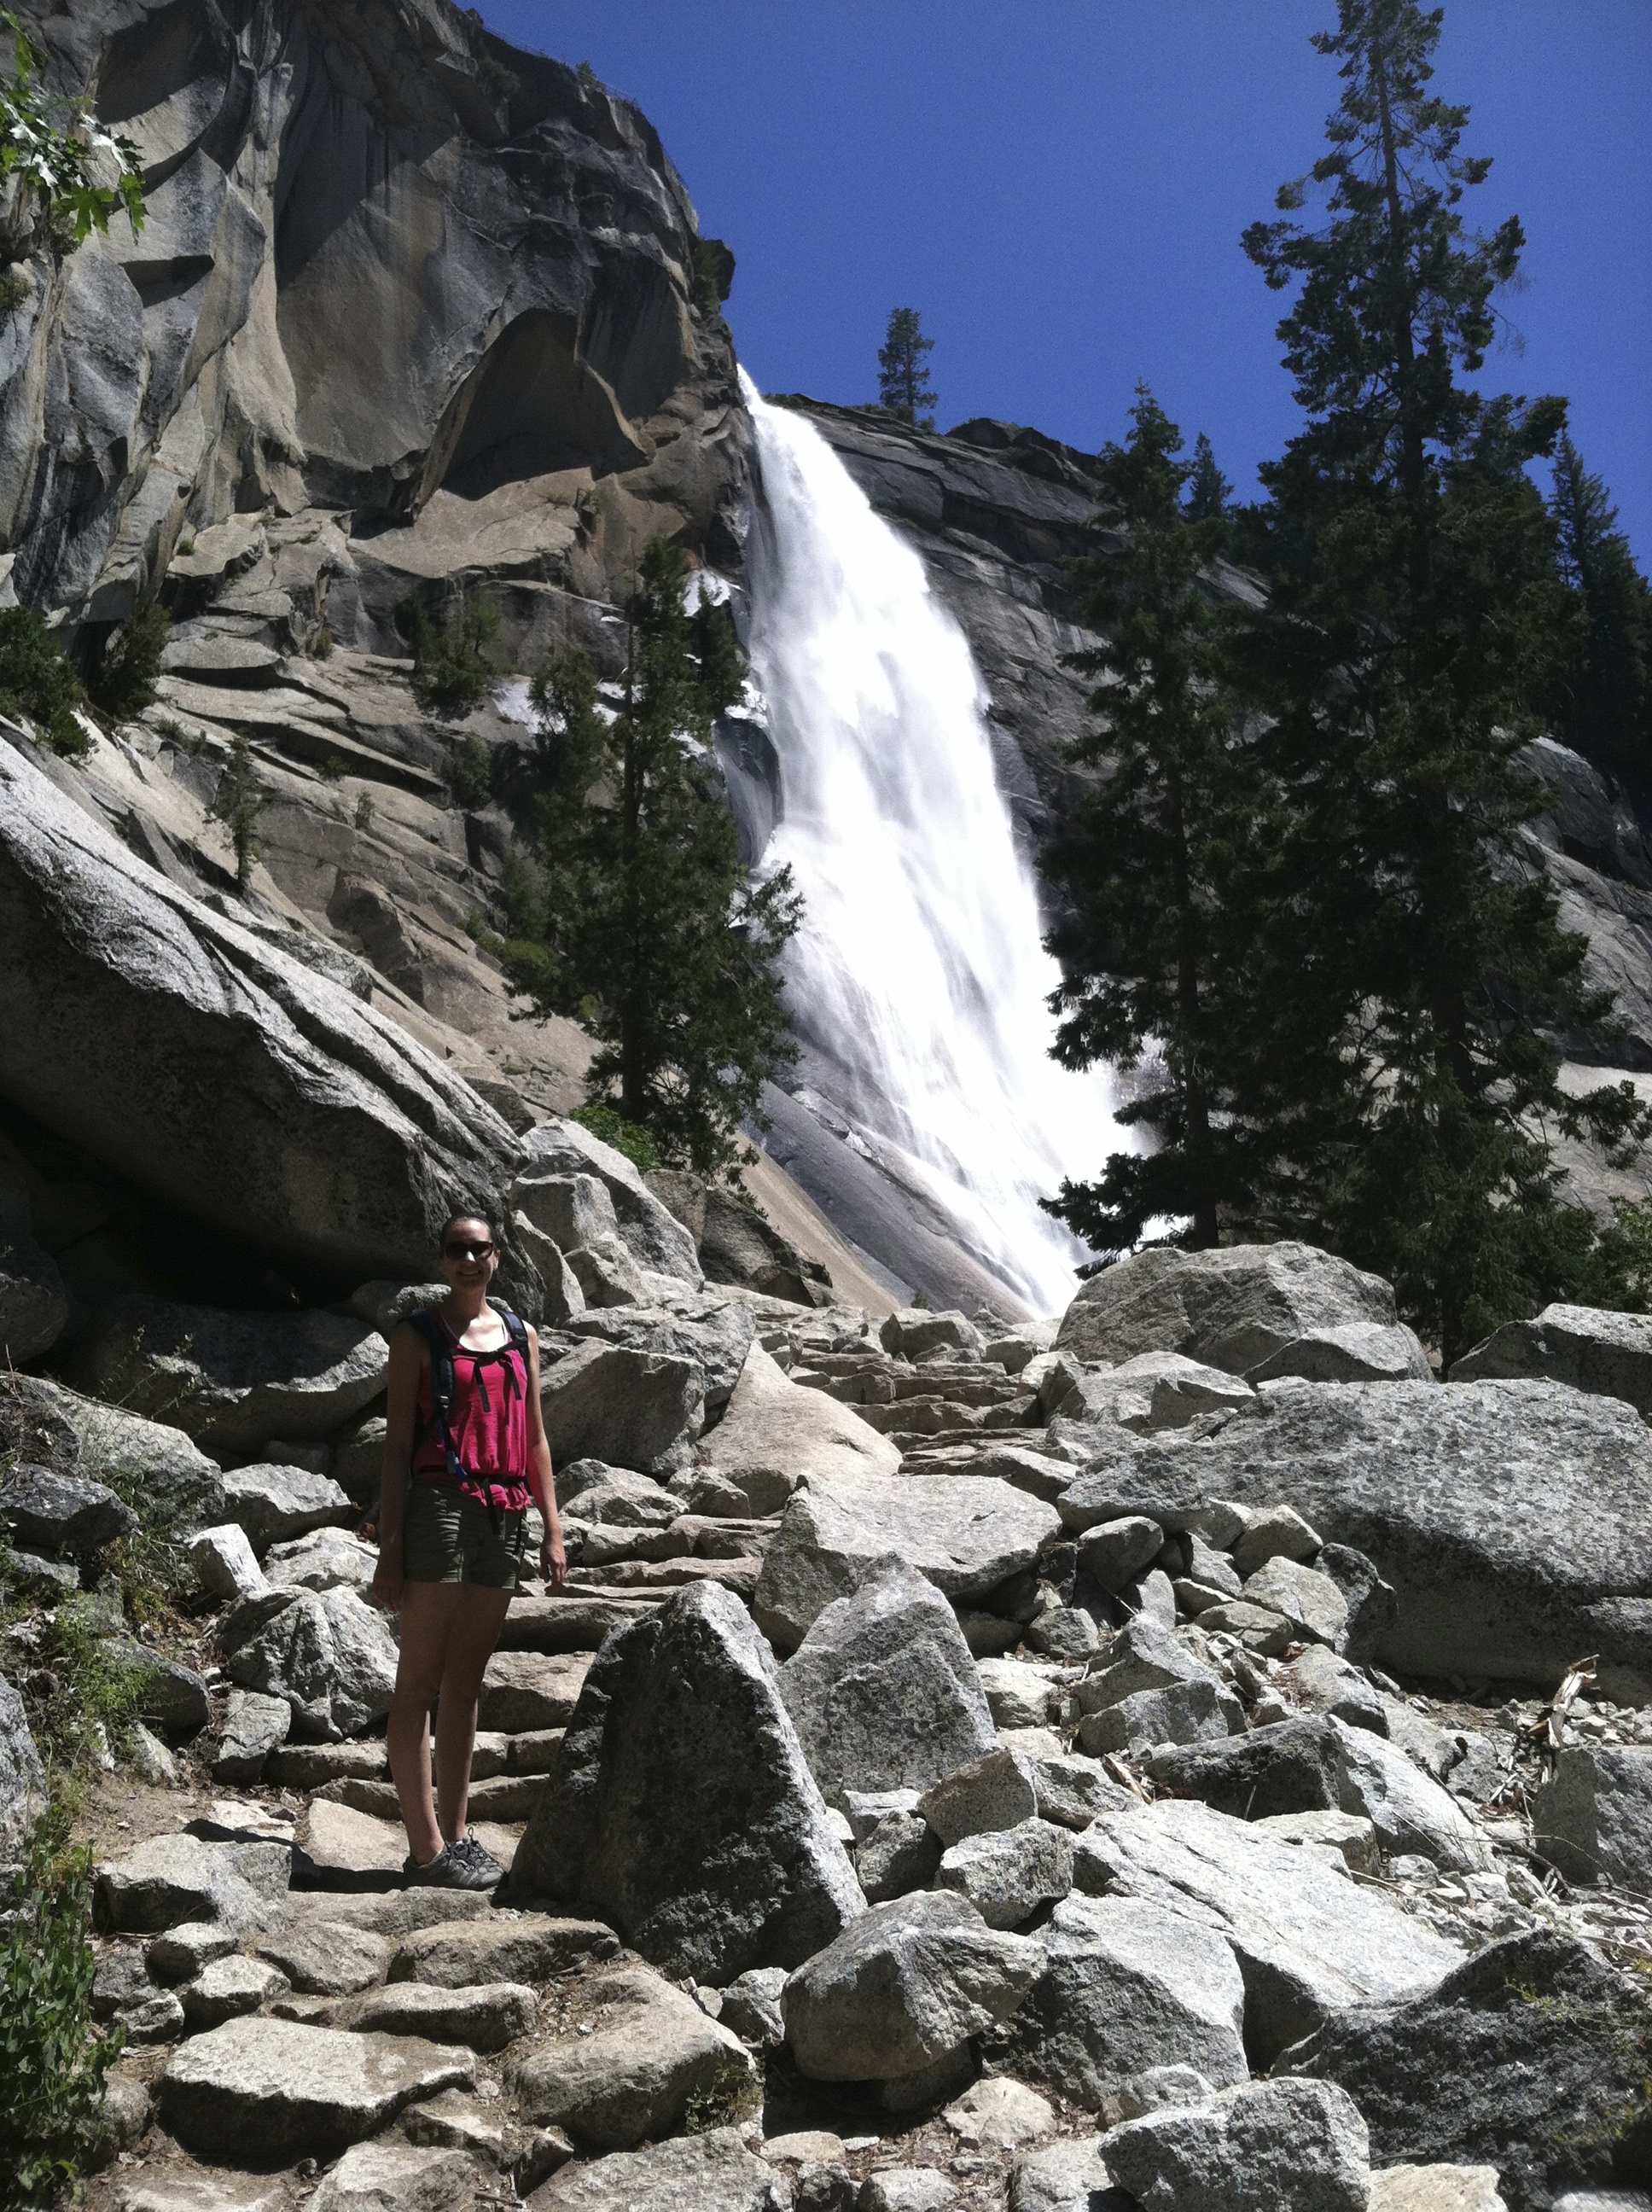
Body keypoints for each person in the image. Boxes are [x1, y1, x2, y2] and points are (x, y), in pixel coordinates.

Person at [370, 1209, 566, 1889]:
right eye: (457, 1249)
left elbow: (535, 1437)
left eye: (480, 1249)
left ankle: (456, 1835)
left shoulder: (520, 1337)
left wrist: (553, 1524)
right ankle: (426, 1852)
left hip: (505, 1512)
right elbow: (397, 1447)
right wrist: (389, 1550)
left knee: (465, 1682)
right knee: (420, 1680)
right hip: (439, 1508)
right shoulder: (417, 1337)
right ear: (441, 1259)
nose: (469, 1260)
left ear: (497, 1258)